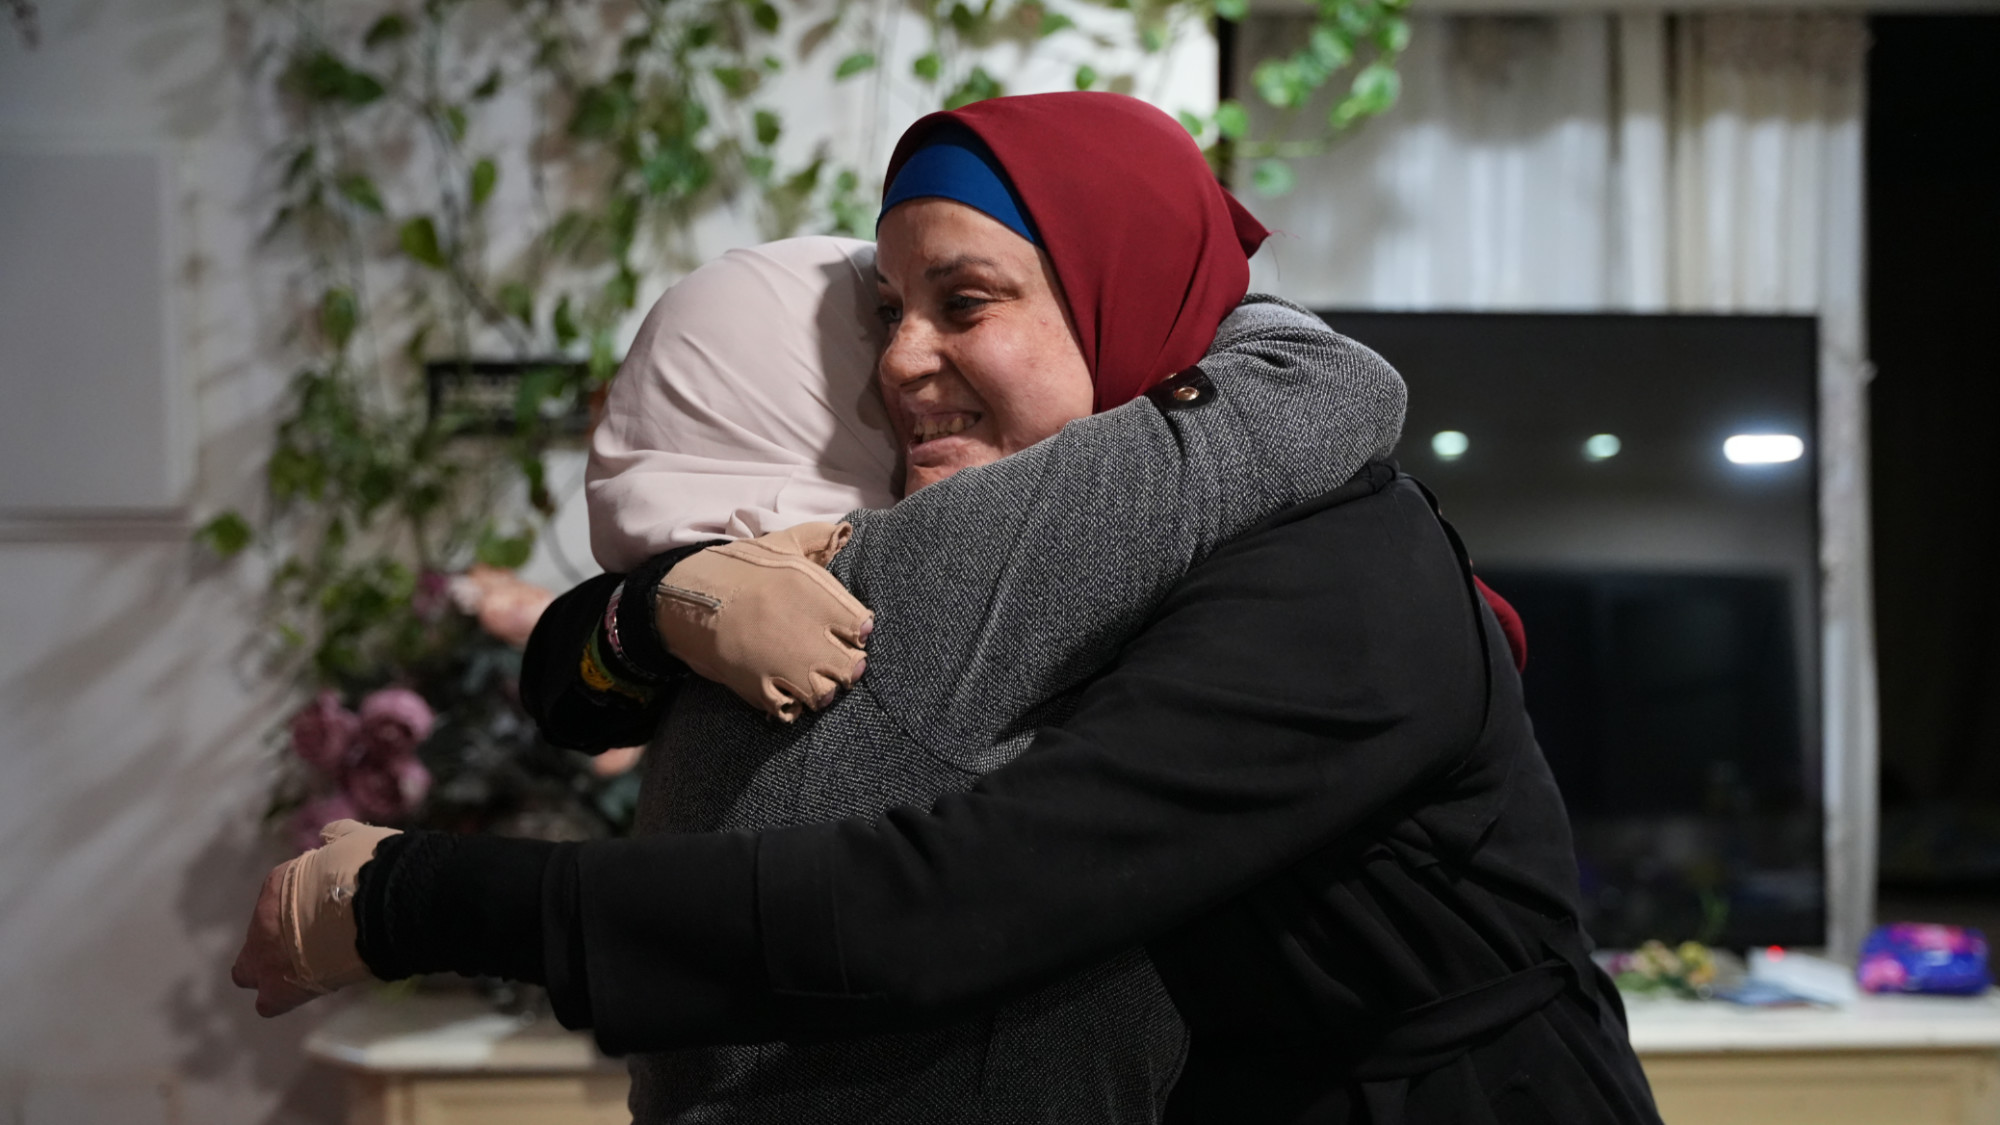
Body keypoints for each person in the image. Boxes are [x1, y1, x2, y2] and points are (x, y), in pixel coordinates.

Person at [236, 93, 1658, 1125]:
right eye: (889, 308)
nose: (901, 361)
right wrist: (665, 601)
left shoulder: (1330, 573)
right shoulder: (1071, 542)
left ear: (1118, 294)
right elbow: (572, 671)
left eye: (963, 302)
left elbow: (944, 900)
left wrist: (424, 898)